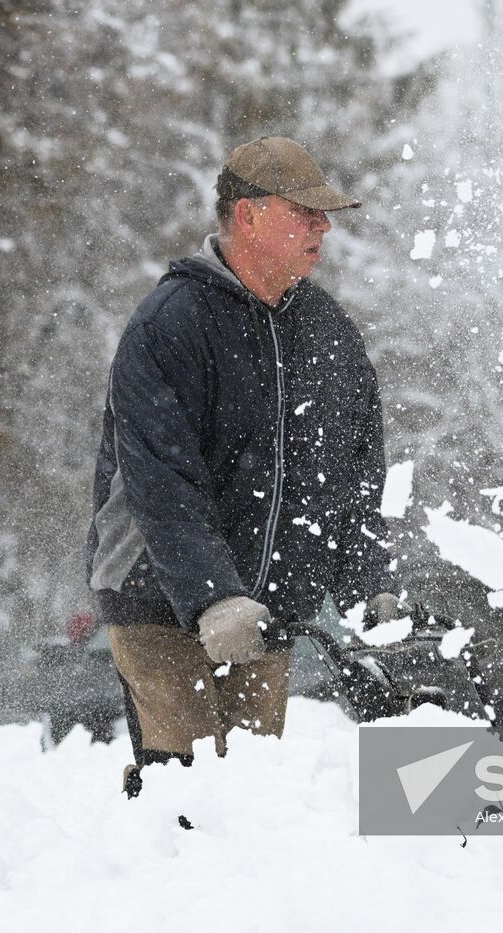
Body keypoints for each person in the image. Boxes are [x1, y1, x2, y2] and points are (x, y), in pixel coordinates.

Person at [85, 136, 400, 795]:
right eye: (304, 213)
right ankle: (143, 869)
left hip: (266, 608)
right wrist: (212, 595)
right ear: (249, 216)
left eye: (324, 214)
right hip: (157, 594)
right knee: (191, 781)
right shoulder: (171, 324)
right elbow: (162, 485)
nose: (324, 226)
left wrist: (367, 580)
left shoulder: (328, 331)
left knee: (253, 795)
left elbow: (357, 470)